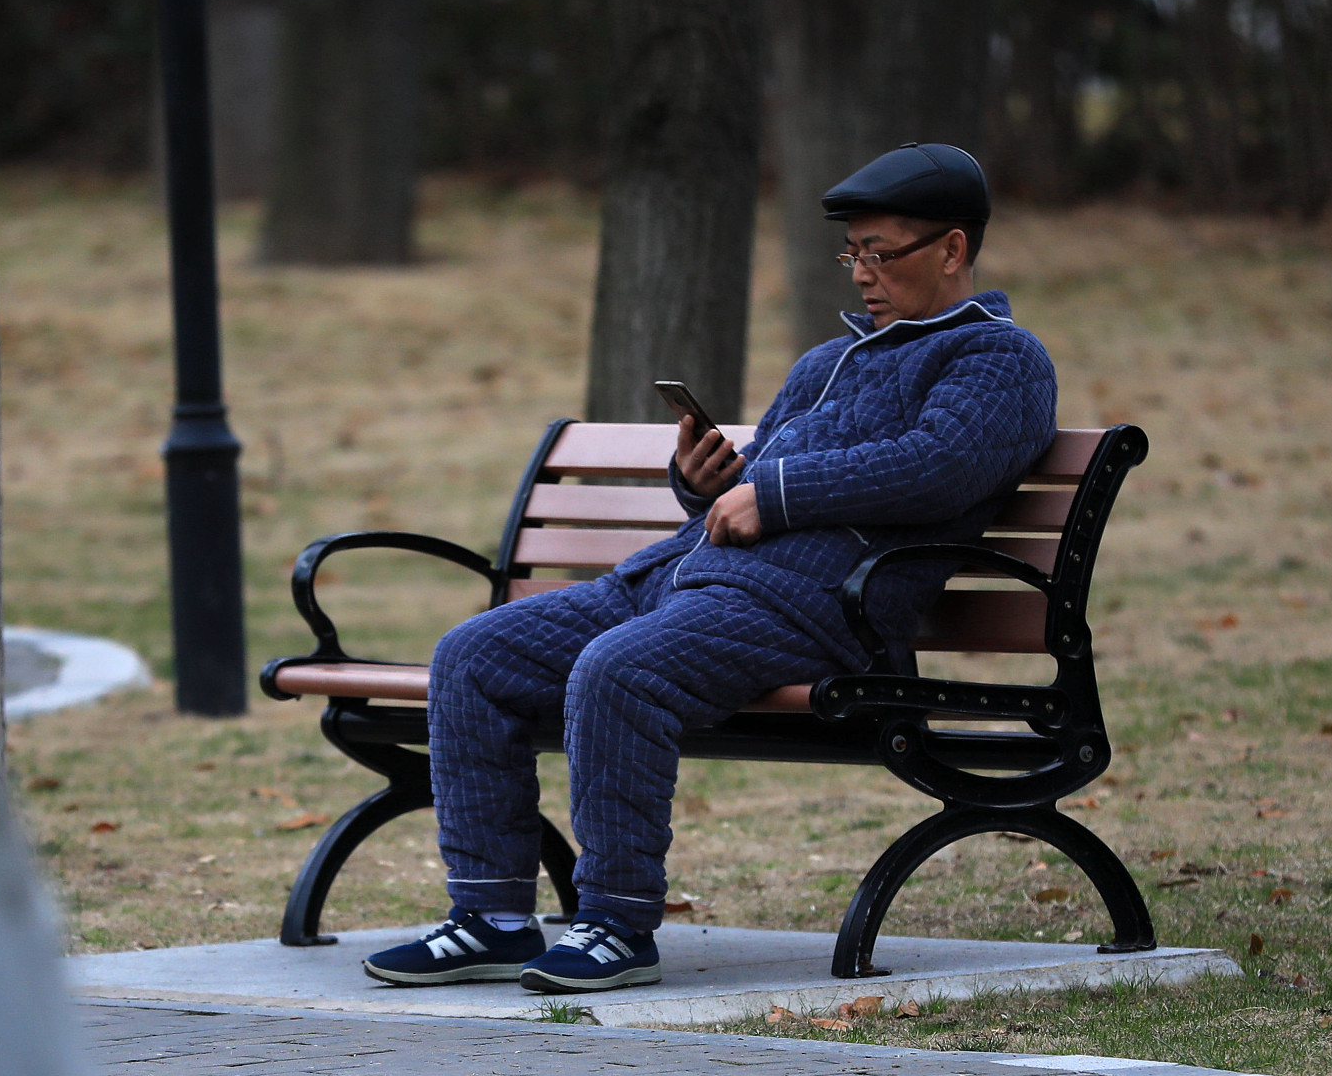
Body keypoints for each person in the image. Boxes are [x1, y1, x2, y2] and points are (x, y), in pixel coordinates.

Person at [362, 143, 1059, 993]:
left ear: (952, 249)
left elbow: (940, 465)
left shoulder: (998, 359)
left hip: (813, 606)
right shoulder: (827, 361)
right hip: (682, 580)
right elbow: (756, 482)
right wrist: (704, 485)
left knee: (620, 672)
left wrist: (779, 495)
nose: (862, 274)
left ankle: (616, 921)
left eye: (883, 252)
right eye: (854, 253)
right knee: (473, 656)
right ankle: (494, 917)